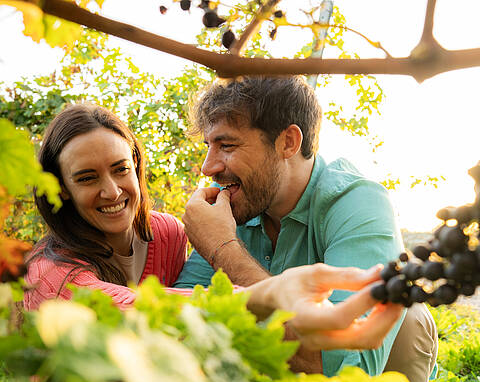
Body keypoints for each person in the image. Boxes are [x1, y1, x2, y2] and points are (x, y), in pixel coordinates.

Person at [173, 76, 438, 382]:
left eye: (227, 145)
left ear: (288, 142)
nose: (209, 166)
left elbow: (347, 364)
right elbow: (184, 311)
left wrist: (222, 250)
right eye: (209, 146)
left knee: (408, 315)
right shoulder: (236, 207)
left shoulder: (356, 201)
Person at [23, 103, 404, 355]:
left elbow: (189, 306)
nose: (111, 190)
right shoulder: (48, 272)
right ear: (62, 191)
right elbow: (127, 311)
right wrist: (263, 294)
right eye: (87, 178)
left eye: (121, 169)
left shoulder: (167, 234)